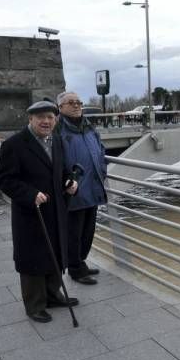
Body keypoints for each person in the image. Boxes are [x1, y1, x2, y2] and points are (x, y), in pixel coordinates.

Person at [0, 101, 79, 323]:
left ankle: (53, 295)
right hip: (31, 212)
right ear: (30, 119)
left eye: (51, 117)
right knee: (33, 257)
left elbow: (61, 171)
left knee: (54, 252)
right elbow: (4, 180)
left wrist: (69, 182)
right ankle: (34, 305)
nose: (46, 121)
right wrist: (30, 194)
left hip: (56, 209)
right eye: (41, 117)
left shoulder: (57, 141)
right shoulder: (14, 145)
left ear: (56, 120)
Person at [56, 91, 107, 285]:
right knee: (74, 233)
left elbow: (101, 150)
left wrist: (101, 170)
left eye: (78, 102)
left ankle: (81, 262)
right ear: (61, 107)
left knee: (88, 231)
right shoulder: (58, 129)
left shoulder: (89, 127)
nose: (77, 105)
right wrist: (66, 181)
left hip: (92, 187)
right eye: (71, 103)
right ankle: (75, 269)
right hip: (74, 190)